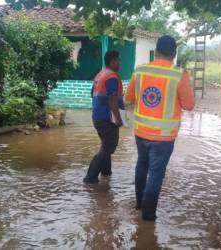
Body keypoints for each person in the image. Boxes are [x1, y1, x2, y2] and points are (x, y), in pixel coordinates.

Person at [125, 35, 195, 221]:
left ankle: (139, 204)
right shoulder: (179, 74)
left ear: (156, 51)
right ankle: (148, 217)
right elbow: (189, 105)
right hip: (163, 138)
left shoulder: (139, 71)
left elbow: (129, 98)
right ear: (173, 54)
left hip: (141, 132)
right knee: (156, 174)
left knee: (142, 165)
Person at [83, 51, 124, 184]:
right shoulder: (111, 77)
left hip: (97, 116)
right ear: (112, 61)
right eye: (118, 60)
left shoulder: (100, 74)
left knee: (106, 145)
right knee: (108, 146)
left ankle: (106, 173)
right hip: (107, 118)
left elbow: (92, 94)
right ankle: (91, 176)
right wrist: (118, 119)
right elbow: (112, 101)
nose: (120, 63)